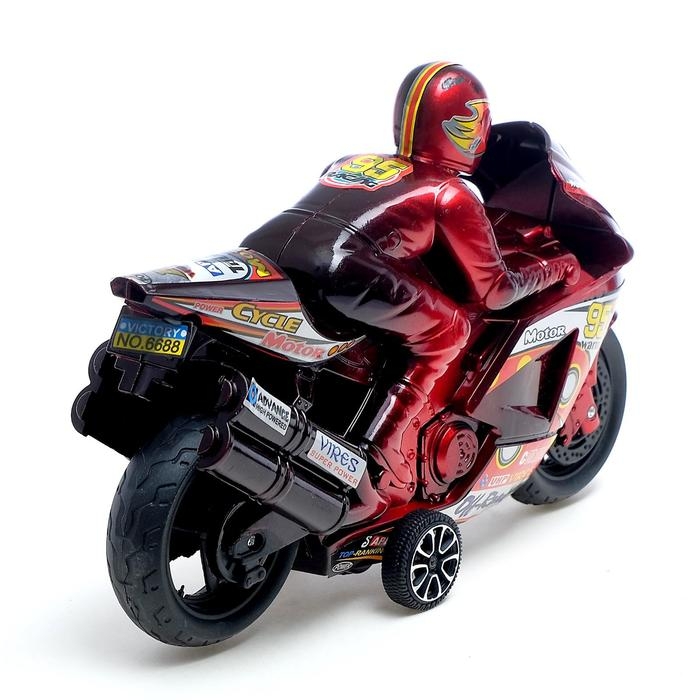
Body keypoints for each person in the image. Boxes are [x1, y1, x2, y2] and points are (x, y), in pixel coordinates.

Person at [242, 62, 580, 507]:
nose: (482, 133)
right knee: (450, 328)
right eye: (477, 121)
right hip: (339, 269)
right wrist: (556, 266)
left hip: (267, 249)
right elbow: (496, 290)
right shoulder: (451, 193)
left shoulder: (352, 161)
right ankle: (385, 450)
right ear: (462, 127)